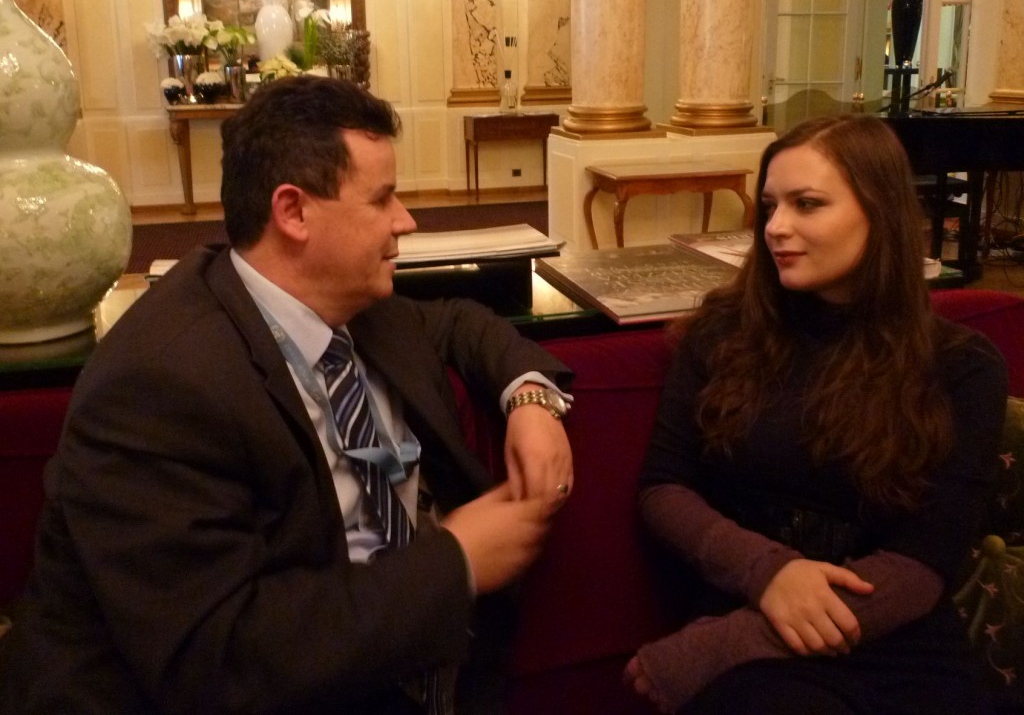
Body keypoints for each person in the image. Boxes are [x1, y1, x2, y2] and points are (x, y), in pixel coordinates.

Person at [0, 76, 574, 714]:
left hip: (413, 666)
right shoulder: (156, 387)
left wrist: (530, 400)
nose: (406, 220)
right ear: (293, 212)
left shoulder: (350, 300)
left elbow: (457, 323)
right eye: (381, 199)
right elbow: (221, 660)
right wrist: (457, 561)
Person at [623, 114, 1008, 714]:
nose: (776, 227)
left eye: (807, 204)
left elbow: (923, 563)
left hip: (893, 636)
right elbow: (663, 490)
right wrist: (769, 572)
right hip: (749, 611)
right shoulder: (722, 334)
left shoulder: (962, 366)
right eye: (770, 207)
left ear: (880, 212)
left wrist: (726, 644)